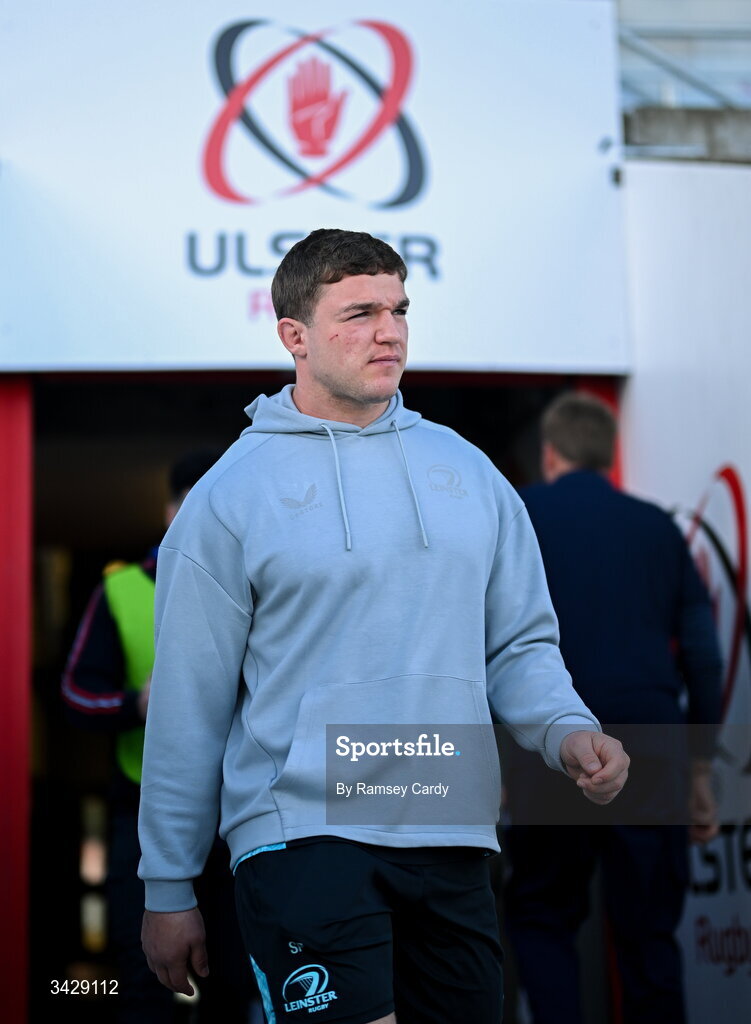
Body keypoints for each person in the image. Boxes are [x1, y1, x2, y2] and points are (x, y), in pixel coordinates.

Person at [138, 229, 630, 1024]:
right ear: (293, 336)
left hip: (449, 822)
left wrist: (566, 731)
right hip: (301, 833)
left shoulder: (469, 474)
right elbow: (188, 706)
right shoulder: (229, 498)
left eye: (399, 309)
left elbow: (517, 645)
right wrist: (168, 886)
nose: (390, 330)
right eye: (359, 312)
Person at [503, 392, 723, 1024]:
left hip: (547, 744)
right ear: (607, 454)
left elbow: (484, 641)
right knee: (650, 931)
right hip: (652, 745)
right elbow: (703, 660)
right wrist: (702, 772)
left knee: (542, 917)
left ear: (550, 455)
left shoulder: (520, 514)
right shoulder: (660, 528)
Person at [62, 452, 256, 1024]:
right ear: (171, 511)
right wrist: (138, 703)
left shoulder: (258, 582)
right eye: (193, 507)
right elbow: (74, 692)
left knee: (234, 982)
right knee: (145, 986)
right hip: (143, 815)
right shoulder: (122, 590)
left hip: (240, 818)